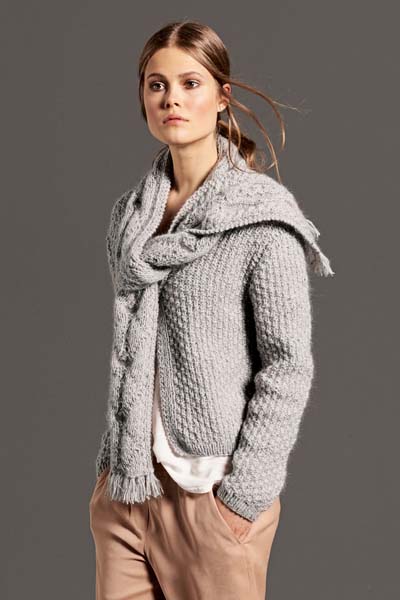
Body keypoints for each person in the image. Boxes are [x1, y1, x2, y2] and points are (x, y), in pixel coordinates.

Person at [89, 19, 335, 600]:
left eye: (190, 83)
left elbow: (287, 364)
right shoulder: (131, 217)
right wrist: (112, 477)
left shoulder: (261, 217)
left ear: (222, 98)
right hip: (127, 490)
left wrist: (243, 497)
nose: (171, 98)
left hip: (212, 493)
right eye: (156, 84)